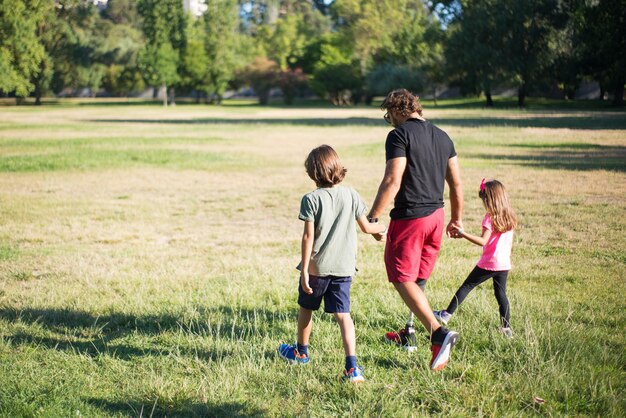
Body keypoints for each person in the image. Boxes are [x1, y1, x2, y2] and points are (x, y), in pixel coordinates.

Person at [367, 89, 464, 371]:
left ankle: (438, 332)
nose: (390, 121)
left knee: (400, 276)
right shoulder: (443, 136)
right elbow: (456, 184)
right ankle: (408, 332)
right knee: (418, 279)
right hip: (436, 216)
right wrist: (456, 219)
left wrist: (373, 217)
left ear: (398, 110)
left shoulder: (399, 136)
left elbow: (392, 180)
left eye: (389, 115)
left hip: (411, 217)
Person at [278, 145, 387, 383]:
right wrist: (380, 231)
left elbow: (308, 237)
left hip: (317, 269)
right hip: (344, 268)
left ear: (312, 172)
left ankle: (301, 352)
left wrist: (305, 271)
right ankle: (352, 367)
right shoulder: (351, 194)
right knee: (343, 316)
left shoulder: (310, 199)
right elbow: (368, 227)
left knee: (306, 308)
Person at [434, 179, 517, 338]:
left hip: (489, 263)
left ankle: (446, 314)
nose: (484, 204)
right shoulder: (509, 216)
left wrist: (462, 233)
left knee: (467, 285)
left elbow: (483, 241)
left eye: (484, 200)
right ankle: (506, 328)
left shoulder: (490, 218)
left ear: (490, 200)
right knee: (501, 294)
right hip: (504, 263)